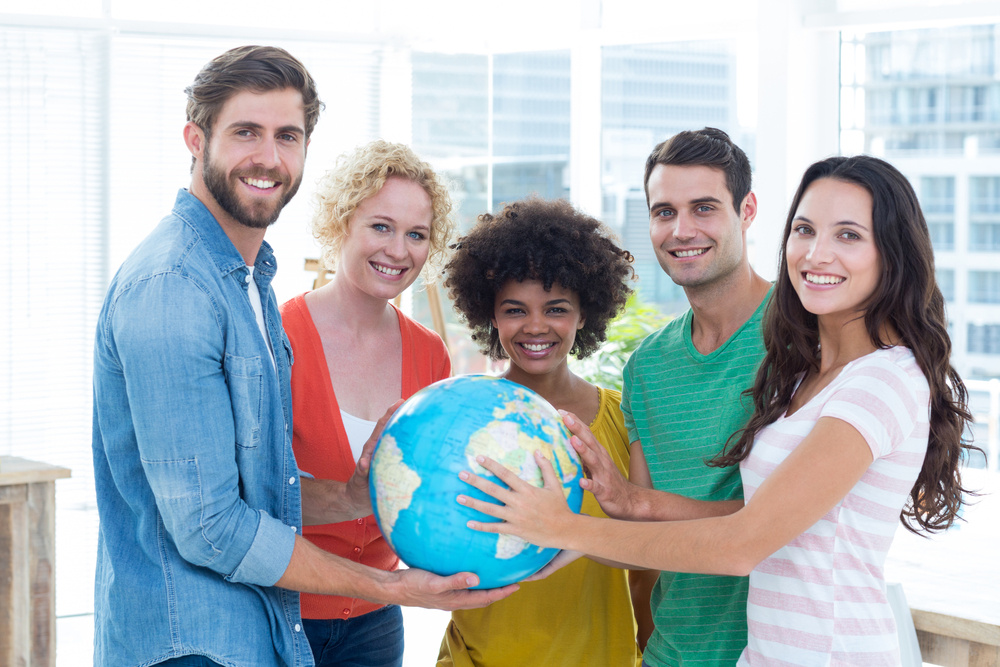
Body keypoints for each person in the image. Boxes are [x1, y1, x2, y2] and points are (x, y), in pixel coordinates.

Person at [459, 154, 979, 665]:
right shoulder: (806, 375)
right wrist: (633, 503)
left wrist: (566, 528)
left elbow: (743, 545)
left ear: (893, 253)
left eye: (849, 235)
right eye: (804, 230)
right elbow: (759, 517)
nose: (818, 254)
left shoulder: (882, 380)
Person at [91, 46, 514, 667]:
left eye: (287, 136)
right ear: (194, 138)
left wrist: (352, 498)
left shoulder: (244, 284)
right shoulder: (175, 289)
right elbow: (211, 526)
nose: (268, 157)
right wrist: (390, 587)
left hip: (257, 631)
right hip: (193, 644)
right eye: (245, 133)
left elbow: (260, 489)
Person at [437, 197, 651, 667]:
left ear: (583, 314)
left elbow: (647, 561)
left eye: (556, 309)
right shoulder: (462, 419)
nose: (536, 326)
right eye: (515, 309)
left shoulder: (621, 418)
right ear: (490, 316)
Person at [280, 139, 455, 667]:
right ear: (341, 225)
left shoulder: (430, 355)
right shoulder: (277, 337)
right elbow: (251, 497)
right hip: (280, 613)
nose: (399, 250)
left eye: (416, 234)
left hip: (377, 619)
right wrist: (347, 499)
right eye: (381, 226)